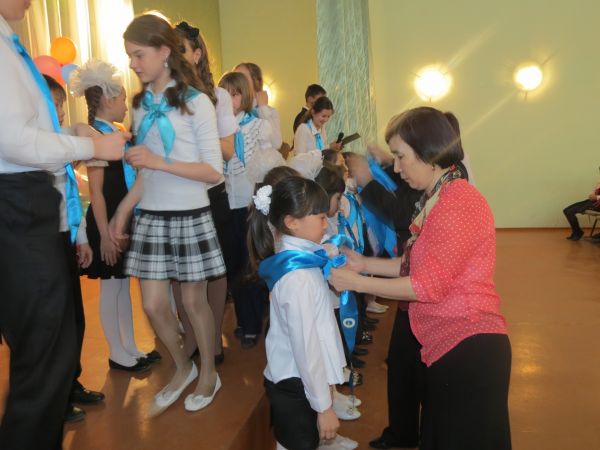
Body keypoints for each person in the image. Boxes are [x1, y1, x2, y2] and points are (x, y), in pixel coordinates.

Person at [330, 107, 512, 450]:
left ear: (428, 153)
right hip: (448, 345)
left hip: (467, 345)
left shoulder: (457, 203)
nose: (396, 168)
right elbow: (415, 263)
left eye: (401, 157)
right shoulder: (440, 195)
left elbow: (425, 285)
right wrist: (363, 263)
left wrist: (357, 283)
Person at [0, 0, 126, 447]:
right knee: (42, 357)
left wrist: (74, 135)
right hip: (17, 205)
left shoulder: (10, 44)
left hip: (31, 203)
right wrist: (90, 147)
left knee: (53, 349)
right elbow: (12, 142)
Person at [111, 13, 225, 414]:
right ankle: (183, 367)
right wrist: (123, 210)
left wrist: (159, 162)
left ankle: (208, 372)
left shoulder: (198, 102)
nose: (132, 64)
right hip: (152, 216)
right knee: (153, 305)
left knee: (193, 303)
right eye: (129, 56)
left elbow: (214, 171)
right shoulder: (141, 105)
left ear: (163, 52)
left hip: (190, 214)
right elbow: (145, 172)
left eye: (138, 55)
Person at [248, 175, 348, 450]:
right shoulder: (298, 278)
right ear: (292, 222)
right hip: (296, 383)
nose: (326, 223)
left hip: (304, 381)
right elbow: (306, 345)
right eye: (320, 217)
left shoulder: (301, 260)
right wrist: (323, 406)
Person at [69, 60, 154, 373]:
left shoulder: (116, 134)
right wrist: (105, 235)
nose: (125, 106)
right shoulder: (95, 138)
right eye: (121, 100)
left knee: (122, 284)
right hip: (105, 223)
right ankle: (116, 351)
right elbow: (97, 193)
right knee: (110, 287)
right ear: (107, 99)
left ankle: (130, 345)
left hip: (121, 220)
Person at [44, 74, 107, 423]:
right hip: (43, 242)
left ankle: (71, 381)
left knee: (75, 319)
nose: (60, 112)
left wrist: (81, 238)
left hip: (65, 236)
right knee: (55, 323)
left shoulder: (60, 142)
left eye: (61, 105)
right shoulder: (40, 147)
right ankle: (56, 397)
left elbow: (71, 194)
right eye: (53, 105)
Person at [175, 20, 238, 363]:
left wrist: (198, 133)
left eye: (181, 49)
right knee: (179, 275)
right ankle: (191, 340)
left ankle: (212, 341)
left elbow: (228, 150)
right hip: (176, 194)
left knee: (215, 271)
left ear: (197, 54)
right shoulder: (164, 94)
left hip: (211, 192)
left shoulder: (218, 97)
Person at [219, 71, 274, 348]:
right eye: (225, 94)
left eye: (235, 93)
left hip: (252, 204)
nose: (230, 99)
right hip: (227, 204)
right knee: (234, 265)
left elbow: (269, 161)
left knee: (253, 263)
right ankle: (245, 321)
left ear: (245, 95)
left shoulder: (257, 126)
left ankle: (257, 320)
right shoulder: (217, 130)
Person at [235, 62, 282, 150]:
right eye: (235, 77)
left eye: (242, 77)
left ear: (256, 81)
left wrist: (263, 108)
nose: (237, 82)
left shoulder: (271, 112)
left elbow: (276, 143)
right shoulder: (233, 110)